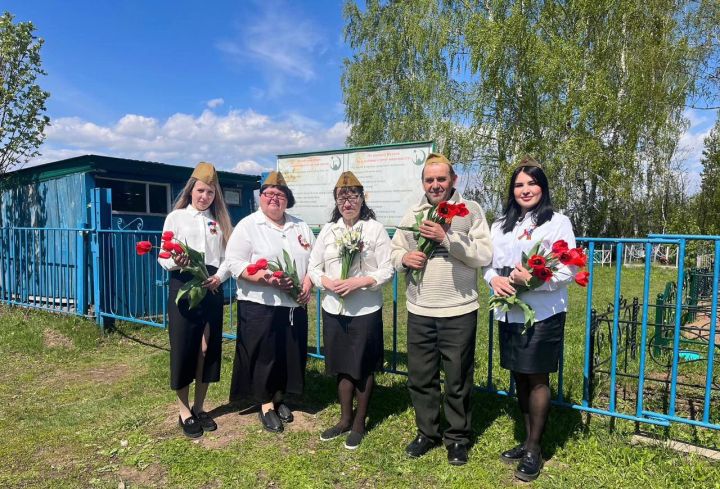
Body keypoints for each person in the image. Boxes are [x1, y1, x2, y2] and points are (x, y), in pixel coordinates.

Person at [390, 152, 493, 465]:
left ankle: (458, 437)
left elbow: (484, 254)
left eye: (441, 179)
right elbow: (396, 250)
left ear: (453, 180)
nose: (435, 185)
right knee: (421, 377)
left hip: (458, 308)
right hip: (421, 308)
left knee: (458, 377)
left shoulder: (470, 211)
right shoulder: (414, 212)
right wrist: (404, 260)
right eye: (429, 180)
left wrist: (447, 240)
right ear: (423, 182)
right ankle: (427, 432)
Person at [483, 156, 576, 482]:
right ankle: (527, 440)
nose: (525, 189)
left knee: (537, 378)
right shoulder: (500, 224)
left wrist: (534, 280)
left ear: (543, 187)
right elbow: (488, 263)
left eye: (532, 183)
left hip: (543, 311)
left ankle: (535, 449)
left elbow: (568, 268)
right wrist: (493, 279)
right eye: (519, 184)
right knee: (520, 376)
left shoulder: (557, 222)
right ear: (512, 190)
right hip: (508, 310)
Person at [307, 171, 394, 450]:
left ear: (362, 198)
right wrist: (326, 283)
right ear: (336, 201)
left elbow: (388, 270)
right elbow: (313, 267)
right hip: (334, 308)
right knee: (342, 367)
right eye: (342, 198)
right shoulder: (329, 230)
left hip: (365, 308)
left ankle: (359, 423)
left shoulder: (374, 229)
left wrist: (361, 281)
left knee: (362, 367)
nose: (347, 203)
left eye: (353, 196)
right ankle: (344, 419)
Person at [225, 171, 314, 433]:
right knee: (265, 354)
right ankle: (265, 404)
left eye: (280, 194)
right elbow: (235, 263)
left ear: (288, 199)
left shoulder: (300, 226)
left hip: (293, 304)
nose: (274, 198)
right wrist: (267, 278)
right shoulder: (248, 225)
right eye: (269, 194)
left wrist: (307, 284)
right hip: (260, 303)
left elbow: (315, 261)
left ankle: (279, 397)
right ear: (260, 198)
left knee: (287, 353)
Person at [158, 161, 233, 438]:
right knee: (185, 347)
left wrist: (220, 278)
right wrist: (177, 261)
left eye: (211, 193)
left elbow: (227, 259)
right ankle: (183, 410)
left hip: (212, 288)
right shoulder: (176, 218)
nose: (205, 197)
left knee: (207, 349)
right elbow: (163, 256)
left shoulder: (219, 221)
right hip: (185, 286)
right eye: (201, 191)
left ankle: (201, 406)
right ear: (191, 190)